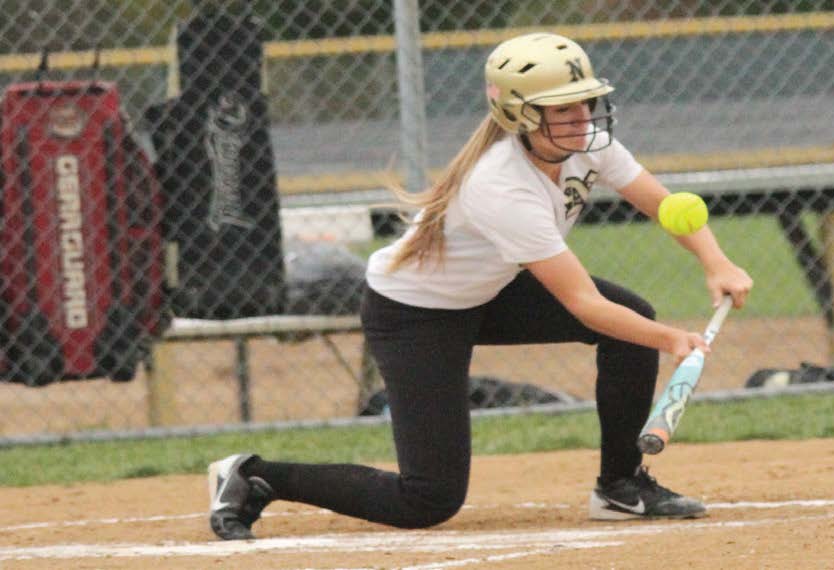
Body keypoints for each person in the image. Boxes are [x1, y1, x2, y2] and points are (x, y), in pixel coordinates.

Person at [207, 32, 753, 540]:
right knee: (428, 499)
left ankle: (621, 487)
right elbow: (583, 303)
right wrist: (671, 340)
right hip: (414, 314)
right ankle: (255, 476)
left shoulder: (588, 143)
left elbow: (665, 204)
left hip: (489, 291)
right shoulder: (500, 183)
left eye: (585, 101)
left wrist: (716, 261)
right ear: (520, 114)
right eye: (564, 107)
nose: (583, 117)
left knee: (631, 318)